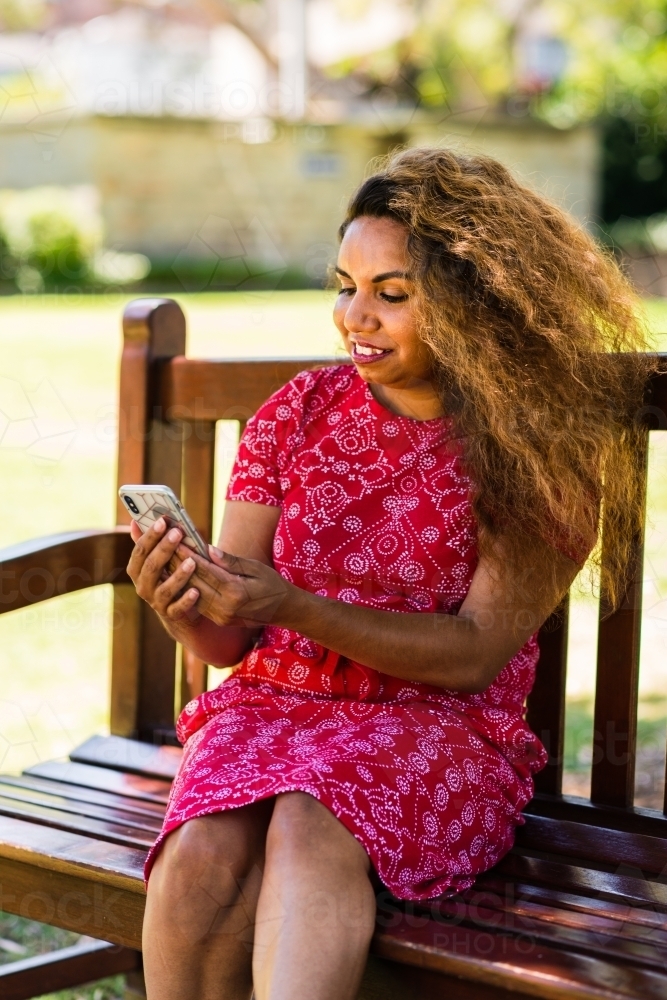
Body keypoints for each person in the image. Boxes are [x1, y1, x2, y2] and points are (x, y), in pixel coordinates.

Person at [127, 147, 653, 1000]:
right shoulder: (295, 414)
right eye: (345, 285)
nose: (354, 318)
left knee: (306, 820)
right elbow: (230, 638)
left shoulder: (536, 451)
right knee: (202, 848)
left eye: (392, 294)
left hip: (437, 730)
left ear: (480, 298)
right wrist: (180, 600)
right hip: (271, 710)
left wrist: (296, 604)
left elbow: (472, 653)